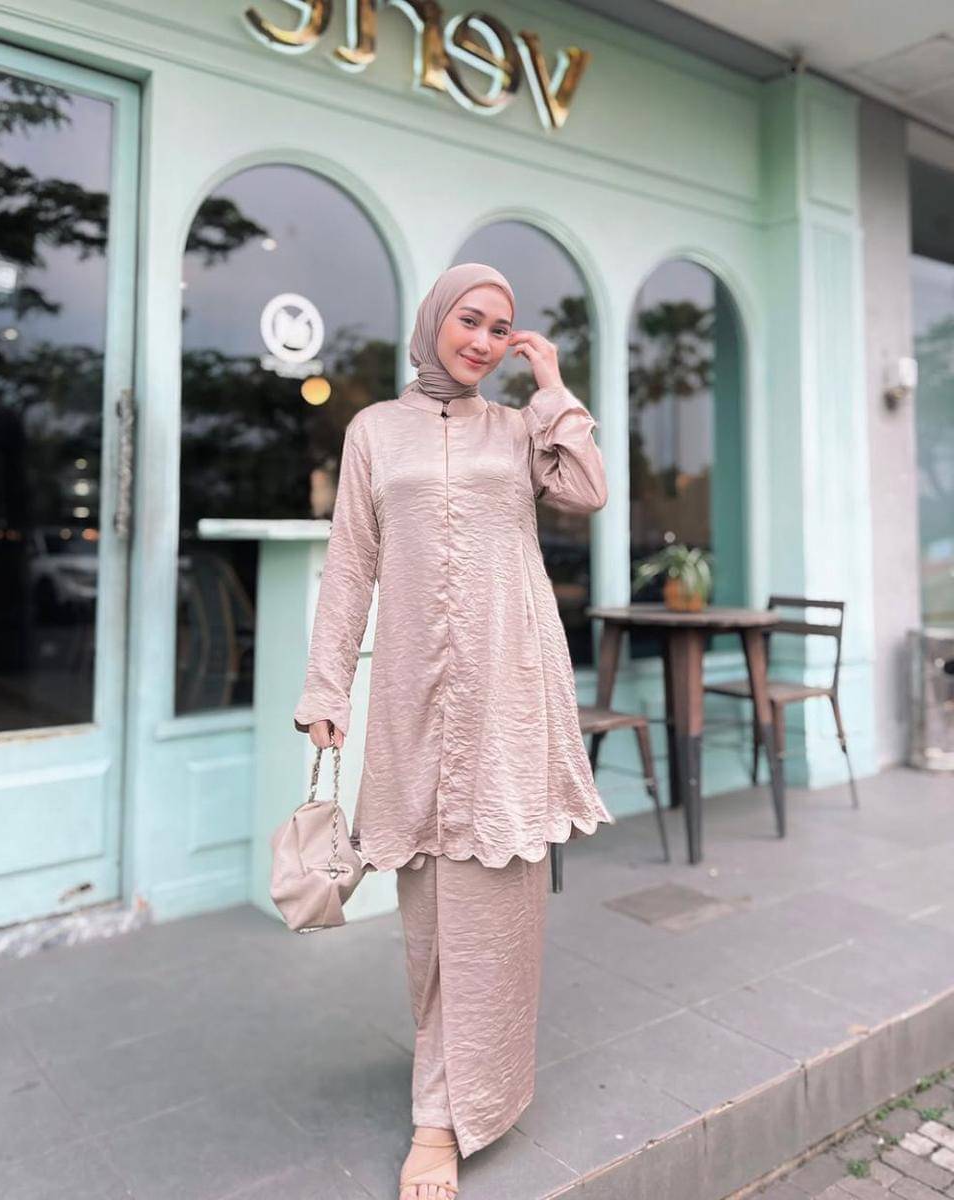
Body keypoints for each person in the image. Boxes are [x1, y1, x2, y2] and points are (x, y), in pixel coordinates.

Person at [293, 262, 615, 1200]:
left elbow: (588, 487)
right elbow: (350, 563)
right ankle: (450, 1090)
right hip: (412, 692)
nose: (482, 341)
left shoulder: (516, 430)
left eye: (500, 329)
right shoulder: (372, 431)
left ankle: (445, 1114)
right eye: (469, 320)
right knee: (429, 907)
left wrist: (551, 387)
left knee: (498, 902)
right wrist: (326, 686)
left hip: (509, 687)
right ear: (435, 319)